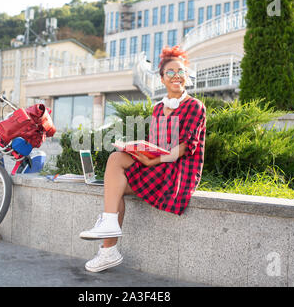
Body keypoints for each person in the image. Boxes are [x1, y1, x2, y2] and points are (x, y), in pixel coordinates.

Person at [79, 45, 207, 273]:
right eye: (171, 72)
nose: (176, 76)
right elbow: (157, 144)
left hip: (177, 170)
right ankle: (109, 248)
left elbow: (186, 147)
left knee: (113, 187)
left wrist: (152, 161)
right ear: (161, 78)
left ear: (186, 77)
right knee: (117, 158)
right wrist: (140, 151)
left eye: (181, 72)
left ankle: (108, 245)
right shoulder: (158, 109)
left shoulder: (195, 106)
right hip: (157, 164)